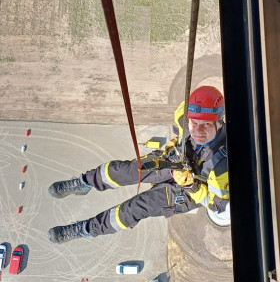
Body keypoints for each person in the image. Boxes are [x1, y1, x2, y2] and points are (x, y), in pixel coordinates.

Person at [48, 85, 229, 243]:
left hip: (191, 190)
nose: (197, 131)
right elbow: (179, 131)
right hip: (176, 159)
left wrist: (191, 185)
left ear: (219, 123)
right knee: (123, 171)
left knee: (134, 208)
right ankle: (85, 182)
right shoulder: (184, 114)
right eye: (194, 122)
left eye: (205, 125)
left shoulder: (224, 166)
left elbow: (215, 205)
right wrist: (174, 147)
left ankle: (86, 228)